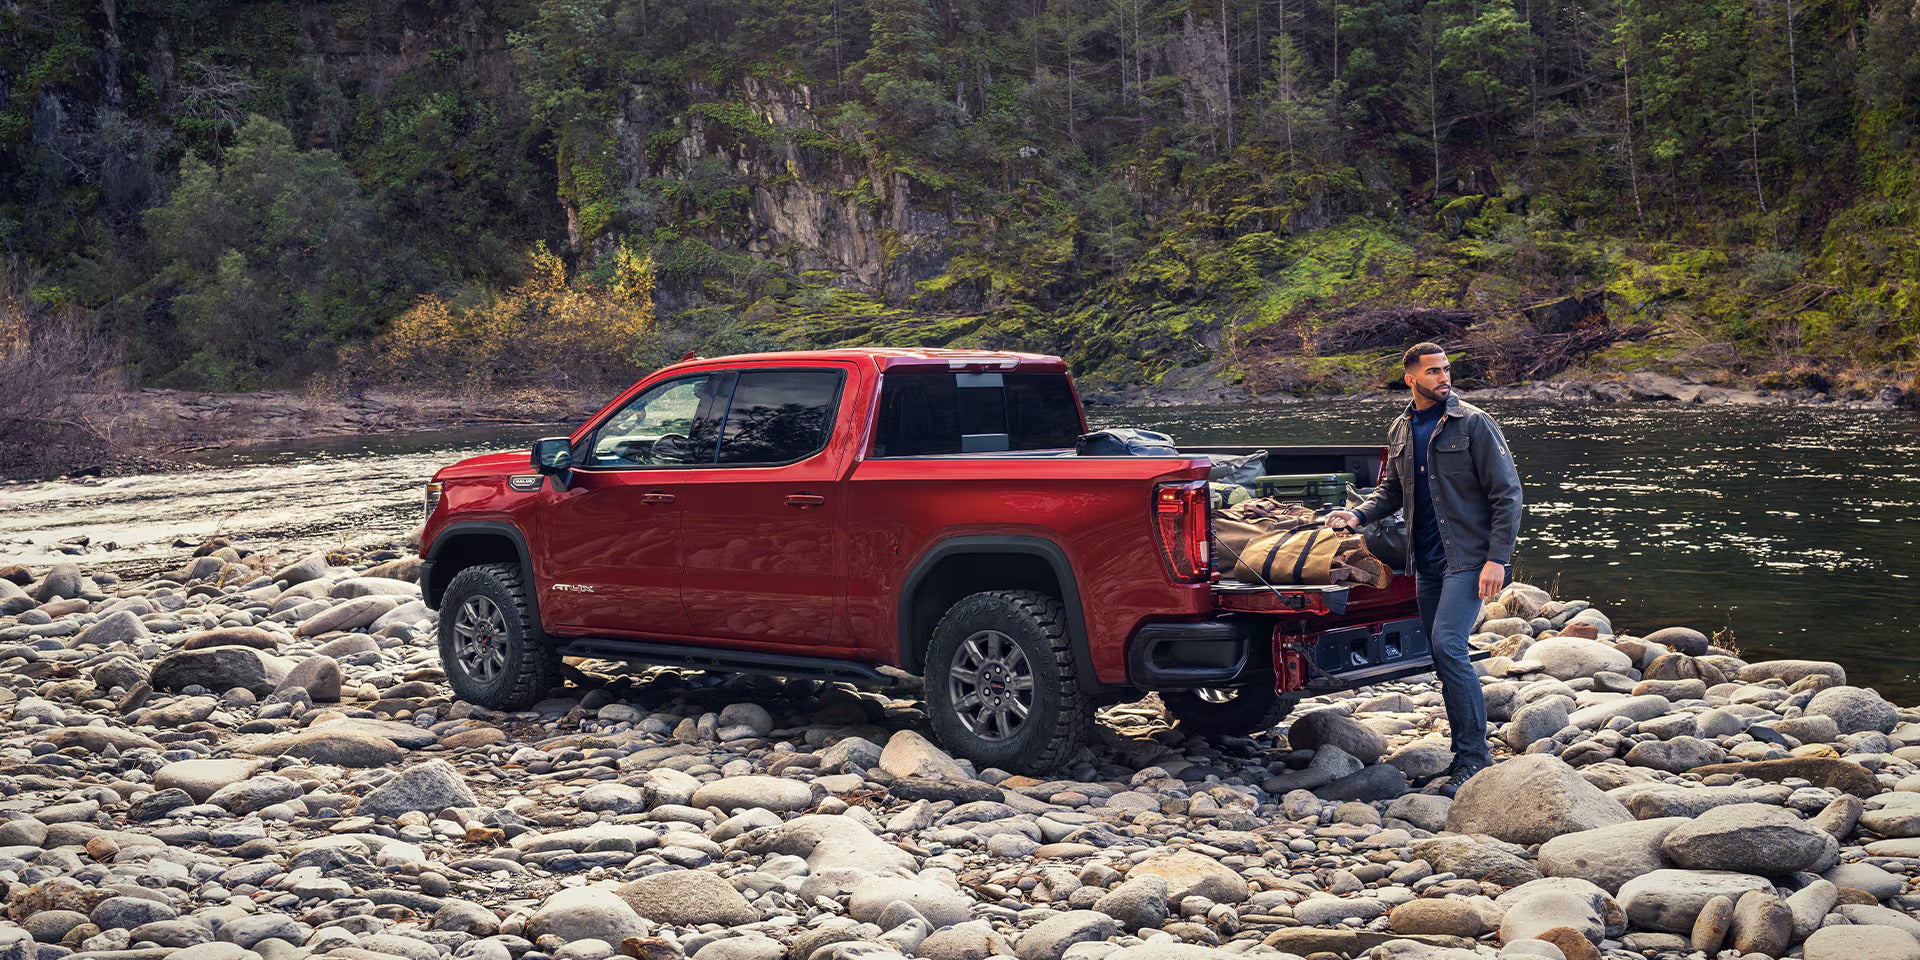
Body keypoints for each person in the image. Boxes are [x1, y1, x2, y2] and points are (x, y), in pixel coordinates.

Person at [1325, 342, 1523, 796]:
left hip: (1468, 561)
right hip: (1427, 562)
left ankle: (1474, 758)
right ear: (1411, 377)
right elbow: (1391, 490)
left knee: (1448, 646)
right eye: (1433, 371)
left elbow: (1507, 495)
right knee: (1440, 654)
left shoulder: (1472, 423)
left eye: (1446, 370)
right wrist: (1358, 516)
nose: (1443, 378)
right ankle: (1462, 752)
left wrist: (1498, 559)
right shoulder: (1402, 427)